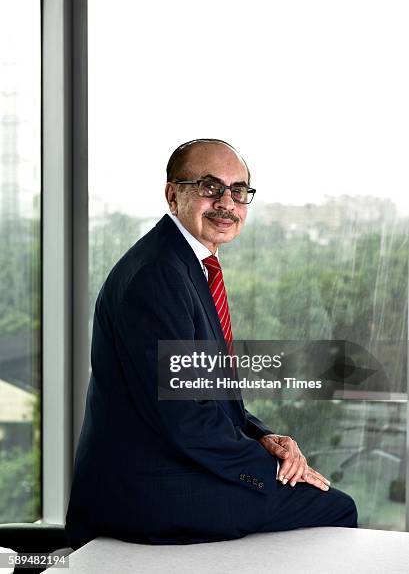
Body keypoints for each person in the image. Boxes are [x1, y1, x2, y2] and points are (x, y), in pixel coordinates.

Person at [65, 138, 357, 548]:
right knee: (336, 507)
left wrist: (264, 437)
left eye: (239, 191)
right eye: (209, 186)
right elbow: (185, 418)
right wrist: (272, 467)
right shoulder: (159, 276)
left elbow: (206, 395)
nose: (227, 202)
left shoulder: (182, 263)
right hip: (146, 492)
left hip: (165, 469)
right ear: (173, 194)